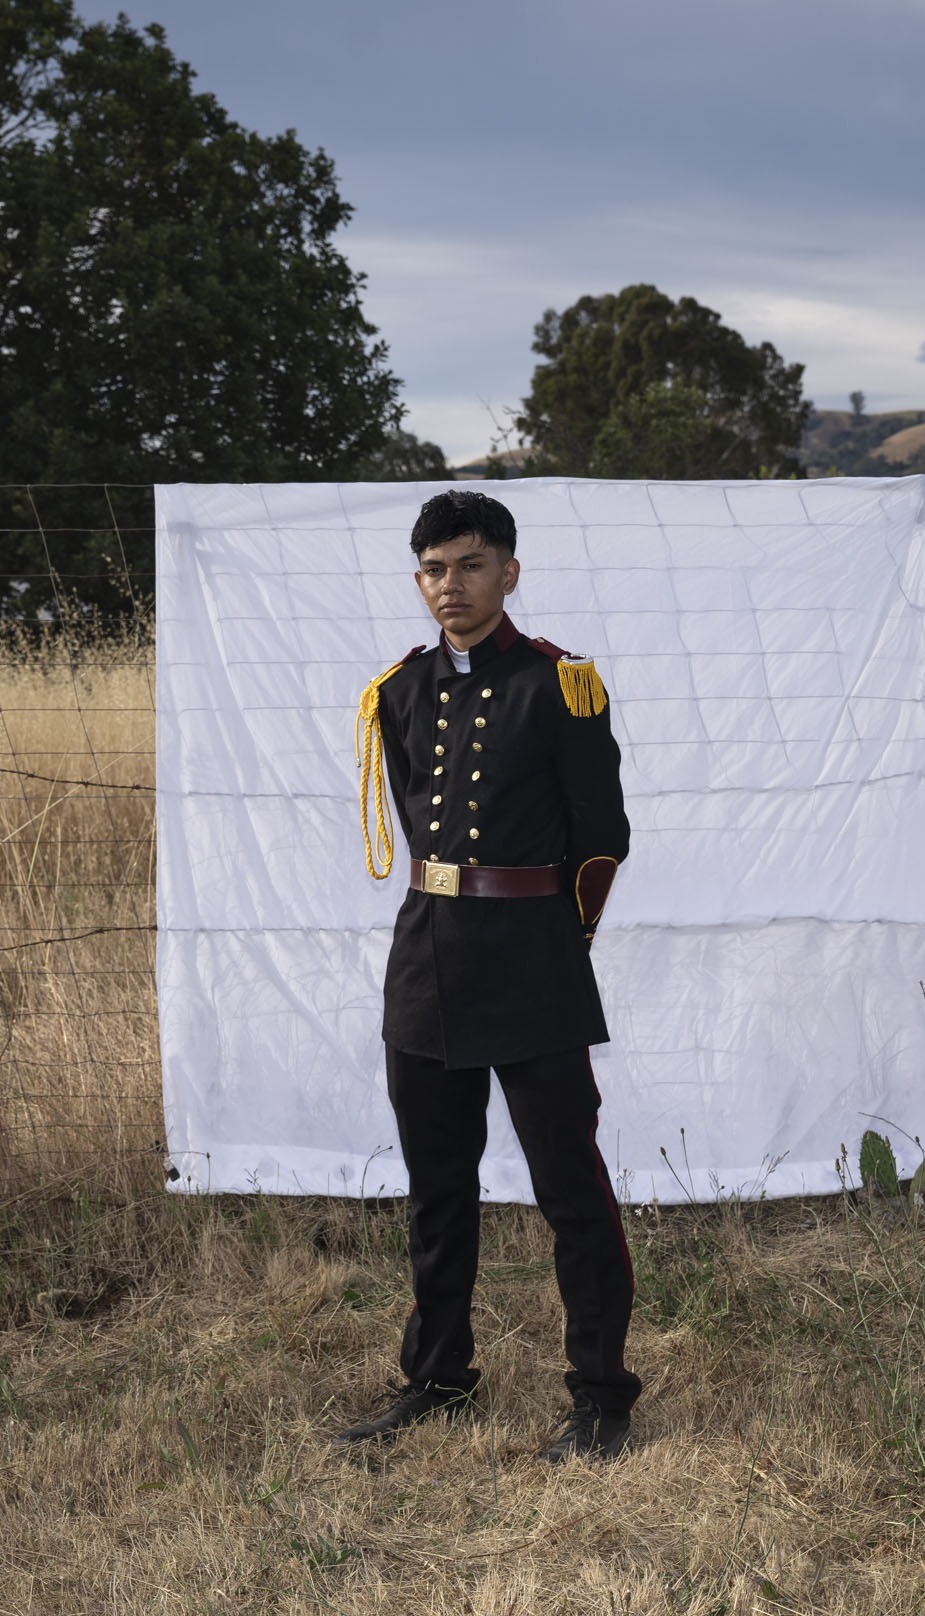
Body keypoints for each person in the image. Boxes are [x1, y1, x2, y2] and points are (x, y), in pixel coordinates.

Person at [337, 489, 641, 1464]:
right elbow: (417, 827)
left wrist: (557, 940)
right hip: (426, 964)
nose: (450, 585)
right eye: (433, 568)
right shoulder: (396, 692)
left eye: (470, 564)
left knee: (571, 1192)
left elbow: (601, 837)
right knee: (436, 1189)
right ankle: (437, 1376)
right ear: (417, 579)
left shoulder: (562, 685)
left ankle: (601, 1394)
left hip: (532, 965)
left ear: (508, 572)